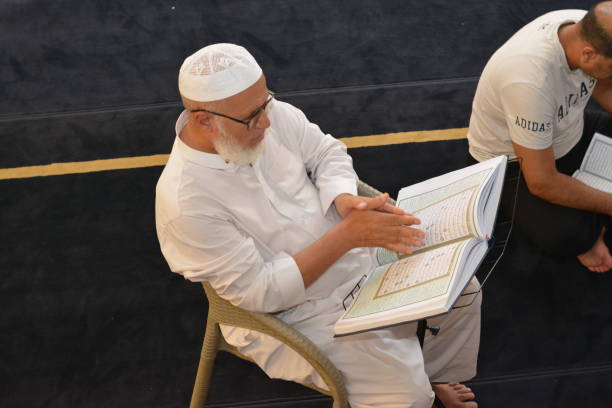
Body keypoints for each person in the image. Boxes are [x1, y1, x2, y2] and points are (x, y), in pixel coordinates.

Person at [156, 43, 481, 408]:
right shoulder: (185, 202)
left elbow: (326, 153)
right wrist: (345, 237)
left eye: (266, 104)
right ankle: (421, 381)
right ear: (204, 121)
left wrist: (343, 197)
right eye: (252, 117)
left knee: (463, 287)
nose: (266, 122)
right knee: (408, 397)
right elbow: (260, 293)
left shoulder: (268, 113)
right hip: (298, 314)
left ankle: (435, 373)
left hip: (358, 255)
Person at [467, 3, 612, 272]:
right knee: (564, 236)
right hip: (513, 161)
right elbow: (542, 182)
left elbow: (603, 83)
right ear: (589, 54)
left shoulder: (584, 28)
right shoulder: (528, 80)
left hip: (566, 131)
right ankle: (588, 232)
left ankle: (592, 224)